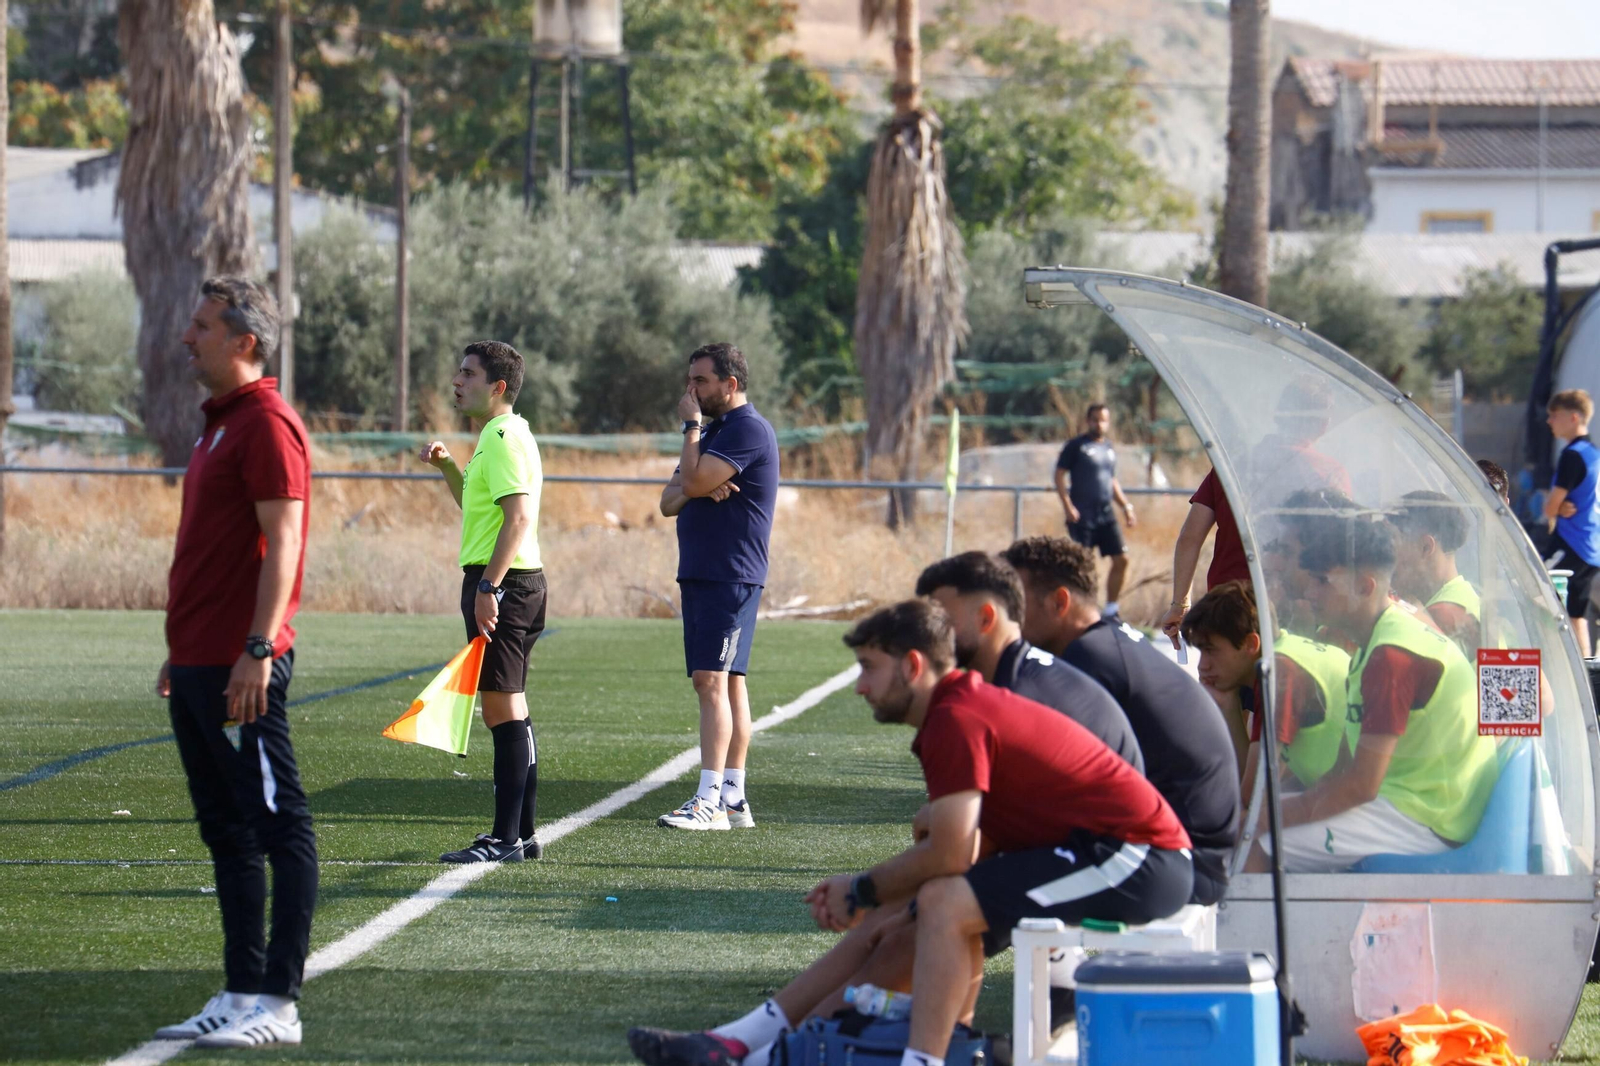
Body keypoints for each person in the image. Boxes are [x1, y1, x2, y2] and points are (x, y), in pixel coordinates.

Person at [626, 600, 1192, 1066]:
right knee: (909, 914)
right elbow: (952, 843)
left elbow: (952, 849)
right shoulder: (955, 708)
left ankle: (913, 1060)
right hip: (1090, 850)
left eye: (870, 667)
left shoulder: (956, 716)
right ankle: (741, 1045)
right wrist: (874, 896)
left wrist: (864, 887)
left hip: (1141, 857)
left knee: (941, 902)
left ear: (913, 666)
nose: (860, 687)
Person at [154, 277, 317, 1047]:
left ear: (244, 341)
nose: (188, 338)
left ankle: (278, 1003)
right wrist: (179, 652)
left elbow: (282, 545)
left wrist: (258, 648)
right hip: (197, 661)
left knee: (279, 825)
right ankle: (240, 986)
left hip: (242, 666)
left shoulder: (266, 423)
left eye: (201, 326)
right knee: (225, 830)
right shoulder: (216, 424)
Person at [1248, 517, 1498, 872]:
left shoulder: (1391, 657)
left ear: (1366, 587)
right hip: (1405, 803)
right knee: (1263, 820)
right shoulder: (1373, 643)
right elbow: (1342, 770)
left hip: (1430, 818)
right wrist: (1285, 807)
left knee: (1258, 845)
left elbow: (1360, 786)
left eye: (1322, 582)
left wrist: (1274, 817)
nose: (1309, 593)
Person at [999, 536, 1239, 905]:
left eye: (1017, 602)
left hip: (1180, 862)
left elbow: (1057, 781)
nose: (1009, 615)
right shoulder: (1107, 641)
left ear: (1060, 602)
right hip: (1195, 851)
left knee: (976, 890)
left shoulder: (1088, 658)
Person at [420, 341, 548, 863]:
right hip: (514, 582)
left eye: (468, 374)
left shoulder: (500, 434)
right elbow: (479, 506)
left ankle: (505, 839)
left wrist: (489, 588)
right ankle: (522, 834)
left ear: (497, 387)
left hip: (505, 584)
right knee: (510, 705)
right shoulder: (503, 434)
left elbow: (517, 518)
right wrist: (450, 466)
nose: (457, 380)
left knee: (502, 711)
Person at [657, 343, 779, 830]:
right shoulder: (717, 434)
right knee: (728, 684)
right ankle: (732, 796)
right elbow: (669, 499)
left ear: (730, 384)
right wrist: (696, 482)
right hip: (709, 573)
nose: (691, 391)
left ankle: (707, 800)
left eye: (701, 381)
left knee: (710, 683)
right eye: (690, 380)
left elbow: (688, 482)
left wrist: (692, 442)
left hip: (728, 574)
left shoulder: (745, 429)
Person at [1161, 377, 1351, 648]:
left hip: (1227, 601)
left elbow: (1190, 537)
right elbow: (1340, 548)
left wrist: (1180, 604)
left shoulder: (1233, 466)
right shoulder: (1329, 474)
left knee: (1226, 683)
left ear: (1278, 415)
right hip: (1294, 607)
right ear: (1324, 424)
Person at [915, 551, 1143, 769]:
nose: (932, 632)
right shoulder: (1028, 673)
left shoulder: (1021, 697)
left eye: (943, 619)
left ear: (985, 618)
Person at [1181, 581, 1353, 798]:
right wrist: (1228, 705)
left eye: (1211, 651)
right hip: (1342, 793)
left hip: (1375, 807)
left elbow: (1250, 798)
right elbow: (1263, 785)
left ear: (1251, 644)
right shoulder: (1288, 650)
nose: (1202, 665)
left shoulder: (1280, 673)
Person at [1054, 404, 1137, 615]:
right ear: (1087, 420)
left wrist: (1126, 506)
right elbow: (1059, 475)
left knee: (1122, 559)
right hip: (1082, 515)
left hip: (1105, 514)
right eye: (1095, 419)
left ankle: (1111, 609)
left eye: (1103, 420)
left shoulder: (1108, 448)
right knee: (1083, 565)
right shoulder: (1076, 446)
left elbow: (1111, 481)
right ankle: (1082, 610)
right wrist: (1067, 506)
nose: (1099, 424)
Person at [1543, 389, 1600, 657]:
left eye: (1554, 415)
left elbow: (1551, 506)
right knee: (1578, 613)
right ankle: (1588, 672)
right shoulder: (1593, 454)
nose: (1549, 421)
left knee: (1532, 586)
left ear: (1573, 417)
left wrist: (1555, 507)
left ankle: (1552, 663)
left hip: (1570, 543)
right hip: (1591, 548)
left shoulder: (1572, 455)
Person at [1390, 490, 1481, 656]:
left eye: (1393, 541)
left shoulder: (1442, 617)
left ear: (1425, 547)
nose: (1386, 554)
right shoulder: (1467, 600)